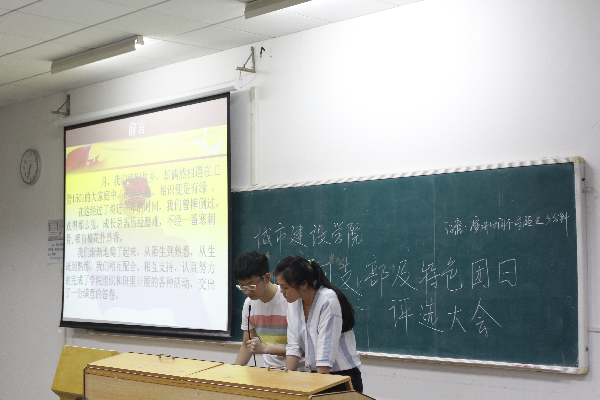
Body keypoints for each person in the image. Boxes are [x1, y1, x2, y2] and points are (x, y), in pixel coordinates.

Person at [274, 255, 363, 393]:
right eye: (280, 286)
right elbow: (293, 347)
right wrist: (287, 384)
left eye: (285, 287)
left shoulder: (328, 300)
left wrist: (319, 391)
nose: (281, 291)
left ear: (303, 284)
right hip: (317, 375)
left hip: (342, 377)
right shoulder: (293, 302)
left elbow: (324, 354)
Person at [233, 250, 289, 369]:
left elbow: (302, 349)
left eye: (251, 285)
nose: (247, 291)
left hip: (299, 371)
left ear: (267, 277)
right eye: (242, 286)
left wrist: (265, 348)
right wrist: (234, 372)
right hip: (269, 371)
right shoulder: (248, 304)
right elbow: (246, 345)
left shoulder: (289, 299)